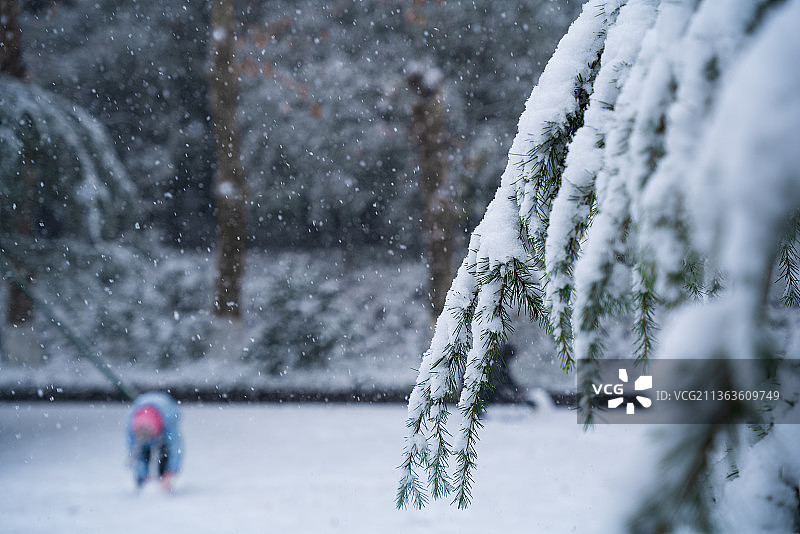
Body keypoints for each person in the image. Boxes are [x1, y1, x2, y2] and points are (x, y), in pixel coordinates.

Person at [126, 391, 183, 492]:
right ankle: (142, 483)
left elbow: (176, 448)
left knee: (165, 452)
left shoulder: (169, 422)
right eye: (141, 437)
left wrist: (171, 471)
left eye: (149, 437)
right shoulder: (131, 427)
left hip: (163, 416)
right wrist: (143, 474)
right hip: (150, 418)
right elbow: (134, 453)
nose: (147, 440)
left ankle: (165, 482)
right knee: (142, 454)